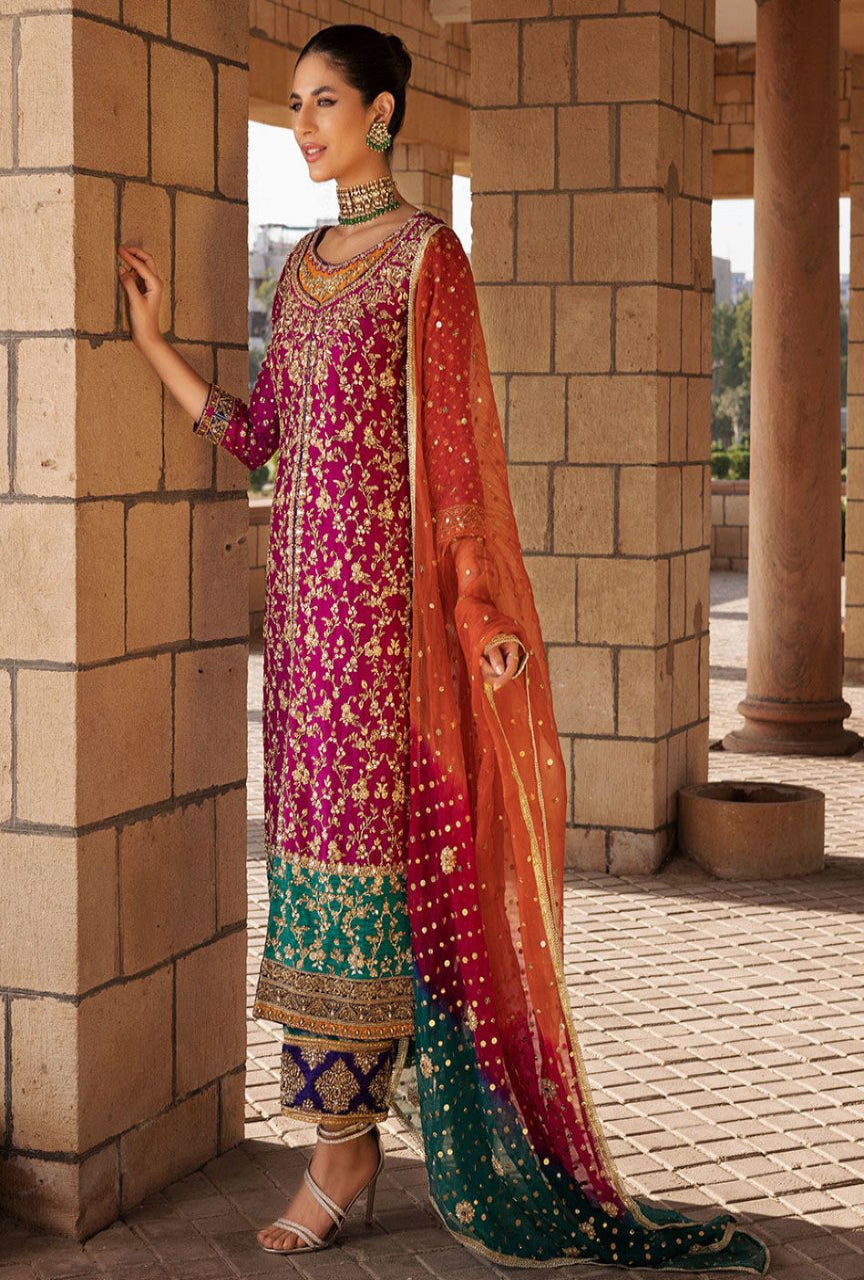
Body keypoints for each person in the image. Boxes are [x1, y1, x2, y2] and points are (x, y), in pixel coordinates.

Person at [118, 22, 769, 1275]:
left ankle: (342, 1156)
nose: (304, 124)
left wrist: (482, 619)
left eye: (325, 102)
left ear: (385, 112)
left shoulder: (428, 261)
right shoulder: (300, 268)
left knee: (377, 882)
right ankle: (341, 1132)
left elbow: (461, 467)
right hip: (300, 638)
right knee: (309, 879)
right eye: (296, 103)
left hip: (386, 635)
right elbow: (263, 439)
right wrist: (150, 343)